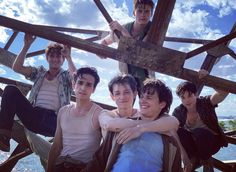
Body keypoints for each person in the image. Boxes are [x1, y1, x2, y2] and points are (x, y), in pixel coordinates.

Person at [83, 77, 181, 172]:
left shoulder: (168, 139)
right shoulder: (121, 126)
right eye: (141, 96)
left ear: (162, 104)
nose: (142, 100)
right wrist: (139, 127)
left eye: (149, 98)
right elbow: (99, 160)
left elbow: (174, 122)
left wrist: (140, 129)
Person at [0, 33, 76, 152]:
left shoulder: (66, 76)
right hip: (34, 117)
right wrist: (26, 46)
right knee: (10, 90)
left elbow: (77, 79)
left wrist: (69, 57)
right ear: (47, 58)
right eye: (52, 56)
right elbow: (17, 68)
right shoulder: (39, 72)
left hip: (55, 122)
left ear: (62, 60)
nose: (55, 59)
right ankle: (4, 136)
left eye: (59, 56)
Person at [47, 67, 103, 172]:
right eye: (80, 82)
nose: (83, 88)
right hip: (60, 165)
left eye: (89, 85)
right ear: (73, 85)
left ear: (93, 89)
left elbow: (106, 148)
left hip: (82, 167)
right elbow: (56, 146)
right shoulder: (63, 111)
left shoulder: (98, 114)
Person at [172, 74, 229, 171]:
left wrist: (207, 78)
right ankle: (193, 158)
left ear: (196, 94)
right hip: (195, 145)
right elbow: (172, 131)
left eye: (189, 95)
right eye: (183, 97)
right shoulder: (178, 111)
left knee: (199, 132)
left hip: (212, 143)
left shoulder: (205, 102)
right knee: (179, 131)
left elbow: (224, 93)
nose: (187, 100)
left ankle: (206, 161)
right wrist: (183, 155)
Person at [99, 0, 155, 93]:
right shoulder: (126, 27)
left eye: (147, 11)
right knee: (125, 103)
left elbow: (138, 50)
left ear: (151, 14)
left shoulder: (154, 29)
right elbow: (105, 41)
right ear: (134, 13)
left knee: (147, 103)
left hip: (146, 76)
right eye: (139, 11)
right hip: (126, 75)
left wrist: (122, 30)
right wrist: (101, 51)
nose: (143, 15)